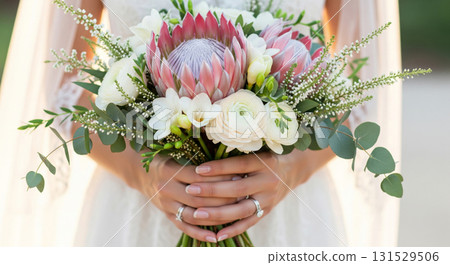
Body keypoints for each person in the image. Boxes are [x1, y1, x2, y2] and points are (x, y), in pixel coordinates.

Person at [0, 0, 402, 247]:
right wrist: (142, 175)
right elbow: (61, 85)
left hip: (288, 211)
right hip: (139, 209)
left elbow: (363, 82)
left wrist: (291, 170)